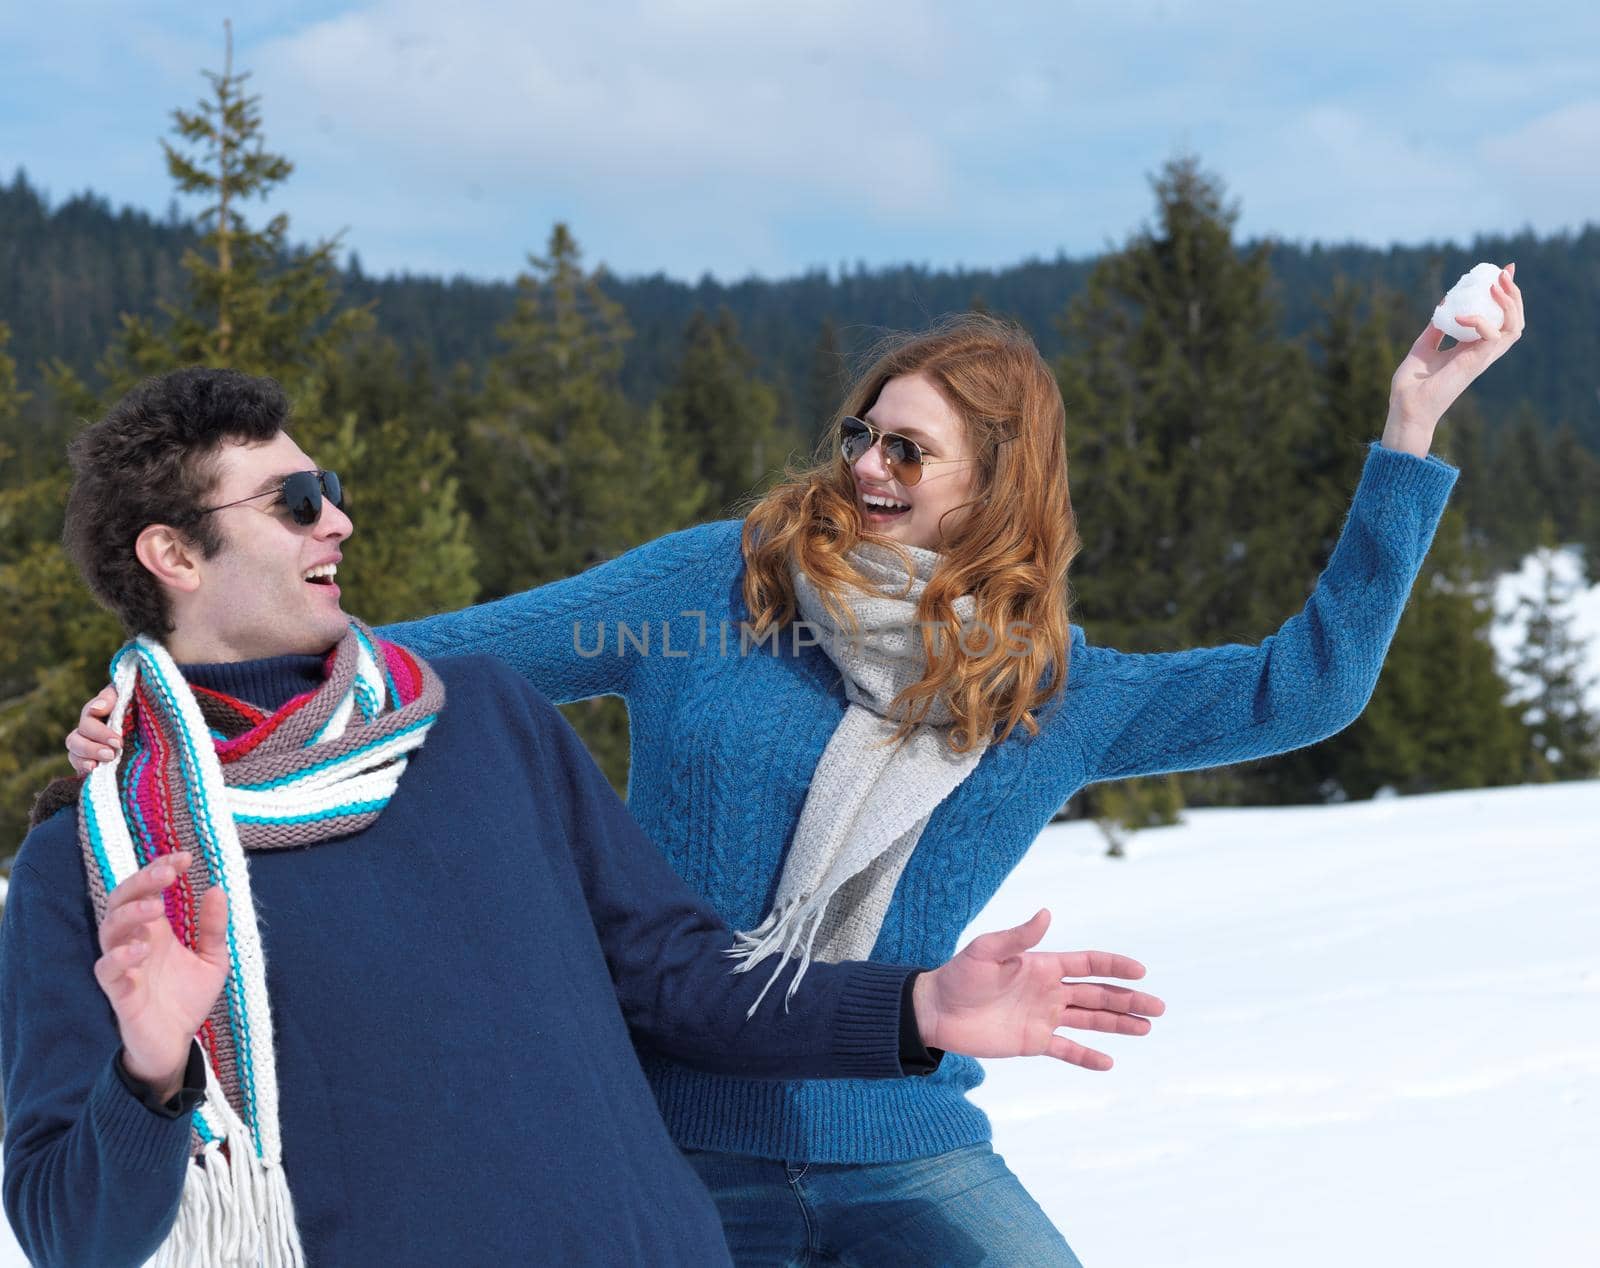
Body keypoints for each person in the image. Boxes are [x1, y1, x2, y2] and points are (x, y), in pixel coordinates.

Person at [67, 268, 1525, 1266]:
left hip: (903, 1148)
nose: (867, 468)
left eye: (912, 450)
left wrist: (1413, 425)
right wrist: (177, 699)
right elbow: (437, 658)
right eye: (860, 434)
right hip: (670, 1141)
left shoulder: (1053, 694)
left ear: (996, 486)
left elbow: (1310, 683)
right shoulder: (715, 586)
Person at [8, 368, 1166, 1268]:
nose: (339, 523)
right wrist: (151, 1070)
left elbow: (677, 974)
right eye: (297, 501)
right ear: (173, 552)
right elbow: (69, 1230)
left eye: (336, 492)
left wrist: (917, 1004)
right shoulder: (97, 862)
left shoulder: (478, 727)